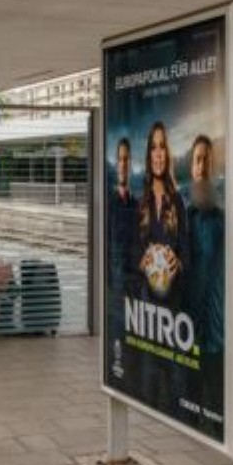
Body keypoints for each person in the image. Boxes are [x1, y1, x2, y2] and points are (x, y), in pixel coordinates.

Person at [184, 135, 225, 418]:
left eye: (207, 160)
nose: (202, 166)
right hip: (189, 324)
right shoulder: (183, 216)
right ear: (191, 167)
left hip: (217, 326)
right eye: (197, 160)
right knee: (191, 394)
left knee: (217, 401)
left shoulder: (224, 217)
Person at [137, 122, 188, 309]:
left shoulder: (177, 201)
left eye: (162, 147)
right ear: (149, 156)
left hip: (172, 304)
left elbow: (187, 254)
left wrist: (177, 263)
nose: (158, 154)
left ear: (167, 154)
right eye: (154, 148)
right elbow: (132, 253)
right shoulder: (141, 203)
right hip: (147, 302)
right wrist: (141, 263)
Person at [107, 137, 138, 333]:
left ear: (131, 164)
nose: (123, 164)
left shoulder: (137, 205)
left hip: (133, 287)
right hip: (115, 287)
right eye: (120, 159)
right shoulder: (109, 204)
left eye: (126, 159)